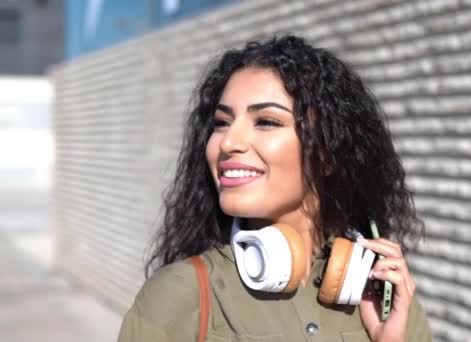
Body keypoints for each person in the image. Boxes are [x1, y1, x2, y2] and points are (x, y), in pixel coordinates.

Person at [118, 35, 432, 342]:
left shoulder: (381, 294)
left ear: (327, 152)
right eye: (221, 122)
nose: (228, 142)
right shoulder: (180, 296)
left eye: (266, 121)